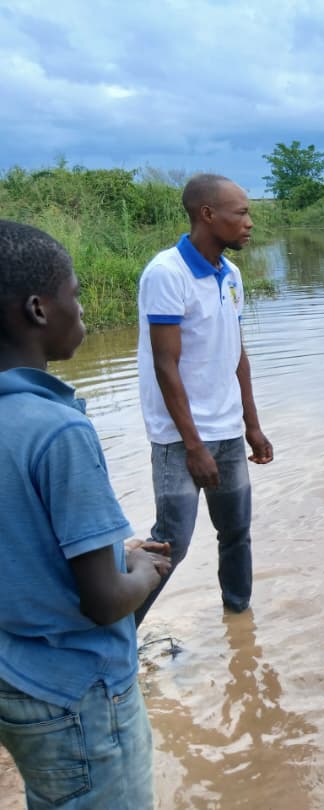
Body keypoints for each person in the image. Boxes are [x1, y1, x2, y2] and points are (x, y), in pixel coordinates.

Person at [0, 219, 171, 808]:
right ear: (38, 309)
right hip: (79, 690)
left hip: (15, 678)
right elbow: (101, 601)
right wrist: (141, 573)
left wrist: (112, 554)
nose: (83, 312)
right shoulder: (58, 429)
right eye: (75, 295)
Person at [134, 174, 273, 624]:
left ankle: (240, 623)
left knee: (236, 533)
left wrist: (251, 424)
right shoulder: (166, 274)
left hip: (229, 431)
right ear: (208, 215)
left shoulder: (229, 275)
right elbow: (165, 365)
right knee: (170, 541)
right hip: (180, 440)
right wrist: (193, 446)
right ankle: (116, 637)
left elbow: (237, 352)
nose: (249, 223)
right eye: (241, 213)